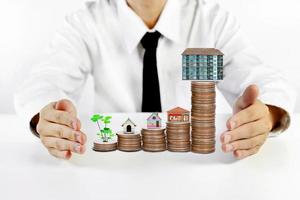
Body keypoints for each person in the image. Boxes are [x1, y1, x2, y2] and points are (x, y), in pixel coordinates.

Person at [14, 0, 296, 160]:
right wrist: (46, 117)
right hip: (116, 161)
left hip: (190, 162)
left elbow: (263, 78)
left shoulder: (212, 20)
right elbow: (42, 82)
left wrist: (268, 113)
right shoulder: (85, 23)